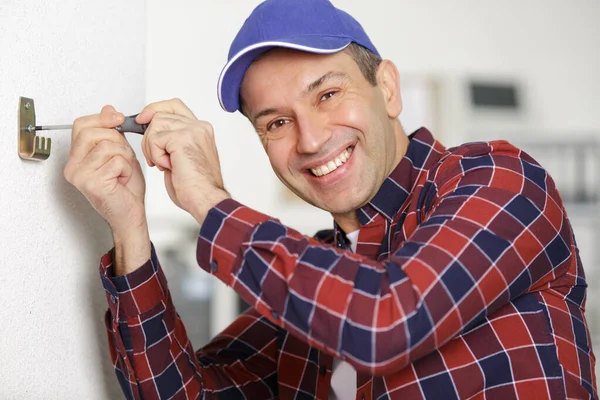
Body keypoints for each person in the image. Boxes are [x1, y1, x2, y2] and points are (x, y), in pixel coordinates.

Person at [64, 0, 597, 398]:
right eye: (276, 122)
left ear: (387, 89)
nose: (312, 139)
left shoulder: (500, 179)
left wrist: (208, 200)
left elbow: (384, 320)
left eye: (328, 93)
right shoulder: (311, 284)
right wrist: (130, 226)